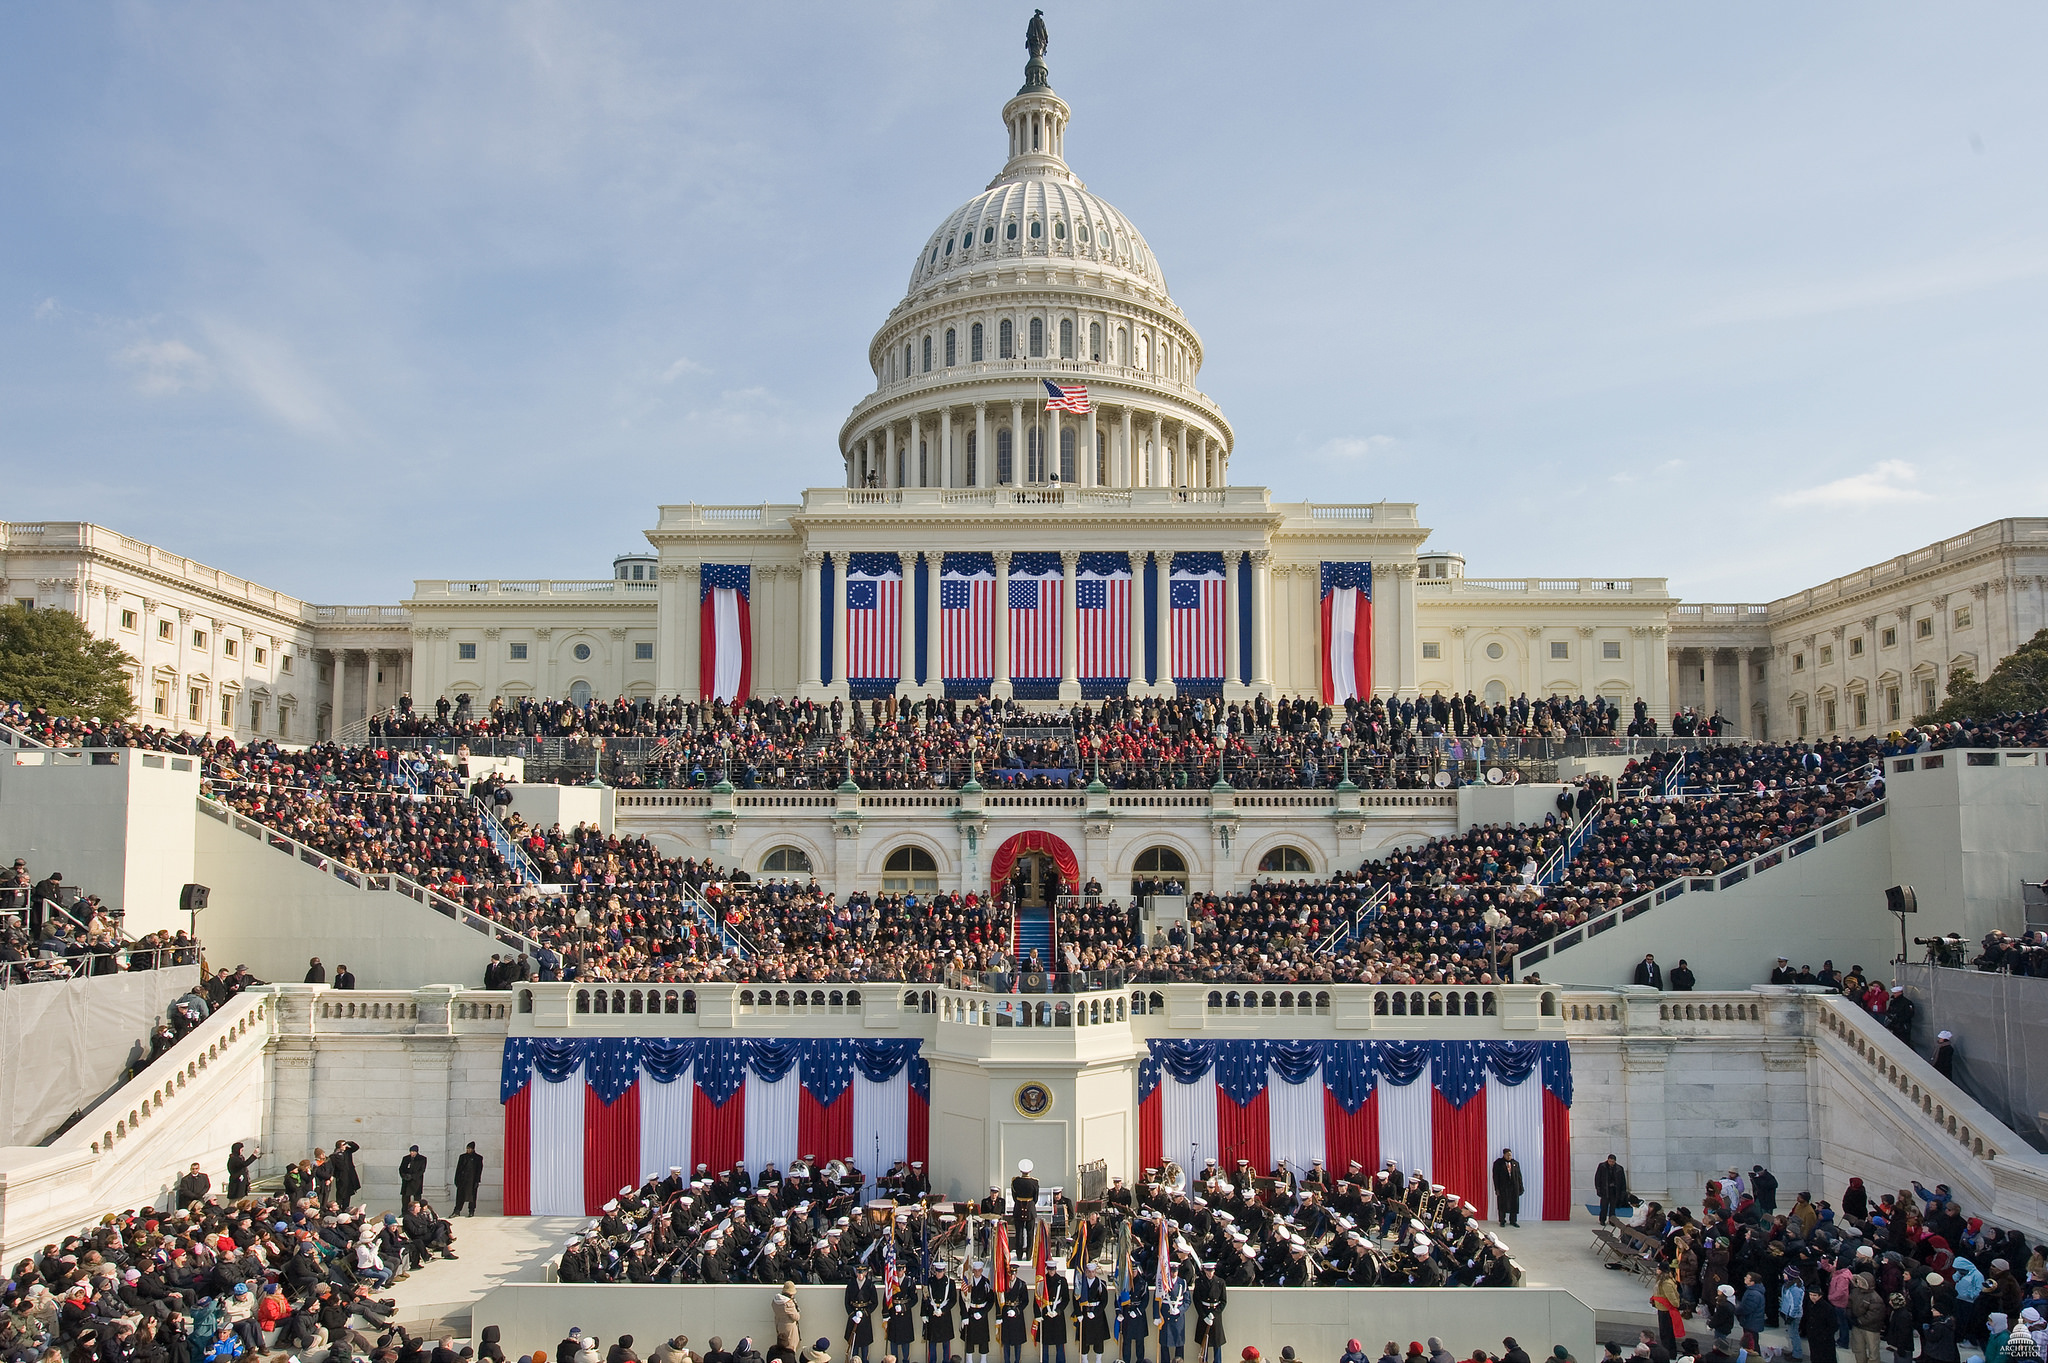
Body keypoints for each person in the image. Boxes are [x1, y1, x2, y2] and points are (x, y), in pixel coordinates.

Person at [1191, 1264, 1226, 1363]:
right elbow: (1197, 1300)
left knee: (1217, 1343)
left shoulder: (1220, 1282)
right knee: (1204, 1342)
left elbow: (1223, 1301)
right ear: (1205, 1271)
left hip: (1215, 1315)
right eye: (1208, 1271)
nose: (1210, 1273)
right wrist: (1204, 1316)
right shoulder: (1199, 1282)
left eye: (1212, 1271)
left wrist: (1214, 1314)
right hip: (1204, 1313)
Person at [846, 1264, 879, 1363]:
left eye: (862, 1272)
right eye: (858, 1272)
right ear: (856, 1273)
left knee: (865, 1345)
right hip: (854, 1316)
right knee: (854, 1344)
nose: (860, 1275)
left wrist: (865, 1312)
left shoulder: (870, 1285)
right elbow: (847, 1302)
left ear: (865, 1273)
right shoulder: (851, 1284)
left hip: (864, 1317)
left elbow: (874, 1302)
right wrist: (852, 1314)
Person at [1491, 1148, 1524, 1228]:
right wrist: (1497, 1188)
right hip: (1503, 1188)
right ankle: (1502, 1221)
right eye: (1507, 1155)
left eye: (1510, 1155)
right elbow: (1495, 1177)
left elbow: (1519, 1176)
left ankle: (1513, 1221)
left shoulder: (1515, 1163)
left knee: (1514, 1204)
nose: (1509, 1156)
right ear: (1504, 1155)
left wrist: (1521, 1187)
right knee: (1502, 1204)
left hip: (1514, 1188)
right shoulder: (1498, 1163)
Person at [1595, 1154, 1630, 1226]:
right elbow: (1597, 1178)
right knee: (1604, 1206)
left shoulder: (1619, 1168)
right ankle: (1602, 1219)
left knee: (1613, 1207)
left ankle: (1612, 1220)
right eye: (1610, 1161)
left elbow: (1623, 1181)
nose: (1611, 1163)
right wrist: (1598, 1189)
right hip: (1605, 1190)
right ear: (1608, 1160)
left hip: (1614, 1190)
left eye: (1612, 1162)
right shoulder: (1602, 1166)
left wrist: (1623, 1192)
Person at [455, 1141, 485, 1216]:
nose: (468, 1150)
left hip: (472, 1180)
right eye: (467, 1149)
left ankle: (471, 1211)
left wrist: (477, 1181)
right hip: (462, 1180)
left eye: (469, 1149)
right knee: (460, 1196)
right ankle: (457, 1210)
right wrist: (456, 1179)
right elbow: (458, 1169)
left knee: (472, 1196)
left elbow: (479, 1170)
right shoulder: (462, 1157)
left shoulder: (478, 1158)